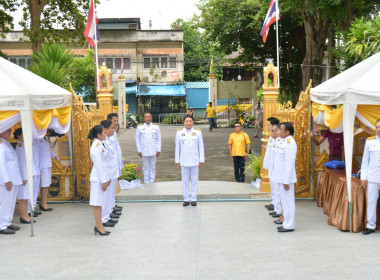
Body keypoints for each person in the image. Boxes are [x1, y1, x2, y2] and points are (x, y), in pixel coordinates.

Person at [271, 122, 297, 232]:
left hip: (285, 179)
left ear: (287, 132)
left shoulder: (290, 143)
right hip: (280, 177)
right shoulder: (284, 141)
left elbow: (289, 164)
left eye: (281, 129)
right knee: (284, 203)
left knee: (288, 203)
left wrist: (286, 181)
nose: (279, 131)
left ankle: (289, 225)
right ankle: (286, 222)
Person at [175, 115, 204, 206]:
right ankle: (186, 198)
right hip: (183, 160)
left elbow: (201, 147)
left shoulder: (198, 132)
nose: (188, 123)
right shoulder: (179, 133)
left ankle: (194, 198)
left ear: (193, 122)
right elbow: (177, 148)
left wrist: (201, 159)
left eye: (190, 121)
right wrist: (177, 160)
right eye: (187, 121)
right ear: (184, 122)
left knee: (194, 180)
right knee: (185, 180)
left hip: (195, 160)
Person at [88, 125, 111, 236]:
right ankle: (99, 226)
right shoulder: (95, 147)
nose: (105, 134)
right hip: (97, 179)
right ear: (98, 135)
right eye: (103, 132)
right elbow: (98, 166)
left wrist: (107, 178)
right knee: (97, 203)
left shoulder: (100, 144)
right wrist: (103, 181)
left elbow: (105, 164)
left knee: (100, 203)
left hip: (102, 178)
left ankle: (99, 225)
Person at [0, 128, 22, 234]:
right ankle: (2, 225)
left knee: (11, 203)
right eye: (7, 130)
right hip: (7, 181)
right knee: (5, 203)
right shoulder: (0, 145)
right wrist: (6, 180)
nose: (9, 132)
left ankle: (8, 222)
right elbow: (1, 164)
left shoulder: (6, 144)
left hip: (13, 179)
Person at [361, 119, 380, 235]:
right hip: (373, 176)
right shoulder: (370, 141)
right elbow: (365, 161)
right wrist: (364, 177)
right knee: (372, 202)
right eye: (377, 127)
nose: (378, 129)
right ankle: (370, 225)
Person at [100, 120, 120, 227]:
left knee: (110, 196)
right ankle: (104, 218)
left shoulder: (107, 141)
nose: (114, 129)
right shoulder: (102, 143)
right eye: (112, 128)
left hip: (112, 172)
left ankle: (107, 215)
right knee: (106, 197)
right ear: (106, 130)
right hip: (108, 173)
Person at [14, 128, 34, 224]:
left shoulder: (24, 146)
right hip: (23, 177)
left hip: (26, 175)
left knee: (26, 197)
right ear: (19, 136)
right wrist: (24, 177)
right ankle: (23, 216)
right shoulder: (20, 146)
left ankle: (26, 215)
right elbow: (21, 163)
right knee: (22, 198)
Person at [136, 112, 161, 184]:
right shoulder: (140, 127)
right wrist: (139, 150)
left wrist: (158, 149)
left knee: (152, 166)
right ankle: (146, 181)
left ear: (151, 118)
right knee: (145, 166)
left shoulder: (156, 127)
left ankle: (152, 181)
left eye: (149, 117)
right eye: (146, 117)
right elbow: (137, 139)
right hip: (144, 150)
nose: (148, 118)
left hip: (153, 149)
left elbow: (159, 138)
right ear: (143, 118)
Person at [39, 130, 60, 211]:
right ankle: (43, 203)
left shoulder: (45, 138)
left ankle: (44, 202)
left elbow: (47, 151)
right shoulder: (37, 138)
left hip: (47, 164)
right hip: (42, 165)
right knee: (44, 185)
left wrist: (54, 155)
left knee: (46, 184)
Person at [107, 113, 123, 214]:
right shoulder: (107, 135)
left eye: (117, 121)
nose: (117, 123)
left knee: (113, 188)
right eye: (114, 121)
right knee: (110, 189)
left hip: (115, 165)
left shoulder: (114, 133)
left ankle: (112, 204)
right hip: (110, 167)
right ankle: (110, 208)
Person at [263, 117, 280, 211]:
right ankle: (274, 203)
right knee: (273, 186)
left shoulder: (277, 137)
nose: (267, 127)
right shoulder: (272, 135)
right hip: (271, 165)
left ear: (274, 125)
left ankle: (277, 207)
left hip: (275, 166)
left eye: (268, 125)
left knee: (276, 187)